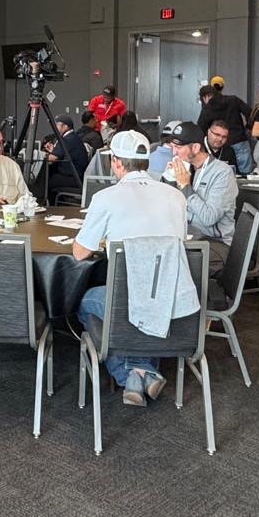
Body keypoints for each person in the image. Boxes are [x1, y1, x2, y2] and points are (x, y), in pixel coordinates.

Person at [72, 130, 192, 406]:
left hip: (129, 301)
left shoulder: (106, 197)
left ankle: (129, 373)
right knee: (139, 304)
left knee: (88, 301)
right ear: (146, 162)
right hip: (171, 300)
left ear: (115, 162)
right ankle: (143, 369)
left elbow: (79, 253)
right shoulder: (176, 197)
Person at [168, 121, 237, 272]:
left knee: (175, 263)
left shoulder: (222, 173)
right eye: (172, 147)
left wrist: (186, 187)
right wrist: (168, 180)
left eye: (178, 148)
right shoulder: (187, 168)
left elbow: (209, 217)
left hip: (215, 242)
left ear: (195, 147)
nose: (174, 153)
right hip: (189, 236)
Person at [197, 78, 253, 172]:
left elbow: (200, 129)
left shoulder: (207, 108)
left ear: (205, 97)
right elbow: (250, 113)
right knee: (246, 174)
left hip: (220, 144)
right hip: (239, 140)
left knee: (222, 173)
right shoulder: (233, 99)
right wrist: (247, 128)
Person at [40, 114, 91, 201]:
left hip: (73, 177)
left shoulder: (66, 139)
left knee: (44, 181)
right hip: (78, 175)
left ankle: (48, 204)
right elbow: (61, 153)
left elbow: (53, 158)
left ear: (65, 126)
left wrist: (40, 155)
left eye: (57, 124)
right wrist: (53, 150)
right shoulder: (73, 137)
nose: (55, 127)